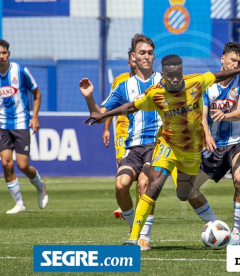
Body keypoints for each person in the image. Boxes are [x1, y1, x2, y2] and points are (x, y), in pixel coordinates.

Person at [83, 54, 240, 246]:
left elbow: (218, 75)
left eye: (178, 74)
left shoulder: (195, 82)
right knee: (152, 187)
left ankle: (214, 224)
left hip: (191, 152)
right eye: (171, 76)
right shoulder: (156, 93)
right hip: (167, 146)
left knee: (183, 194)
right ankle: (134, 237)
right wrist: (103, 115)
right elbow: (130, 107)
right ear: (163, 76)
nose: (176, 79)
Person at [80, 34, 161, 251]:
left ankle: (144, 237)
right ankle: (134, 230)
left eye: (150, 53)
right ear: (133, 57)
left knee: (145, 183)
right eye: (142, 53)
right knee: (121, 185)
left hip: (158, 144)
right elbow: (99, 116)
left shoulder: (163, 81)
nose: (146, 56)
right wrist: (89, 97)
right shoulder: (124, 87)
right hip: (133, 146)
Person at [188, 42, 240, 245]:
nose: (236, 64)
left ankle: (236, 232)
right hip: (216, 144)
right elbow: (202, 117)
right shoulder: (207, 85)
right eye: (233, 60)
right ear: (222, 59)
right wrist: (207, 135)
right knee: (189, 191)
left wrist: (225, 115)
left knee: (239, 178)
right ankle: (217, 227)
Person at [0, 39, 48, 214]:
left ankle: (40, 186)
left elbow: (37, 92)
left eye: (4, 53)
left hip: (20, 123)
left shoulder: (20, 71)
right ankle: (19, 203)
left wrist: (35, 117)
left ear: (8, 53)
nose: (1, 56)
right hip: (1, 124)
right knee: (6, 163)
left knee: (23, 165)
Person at [101, 50, 140, 220]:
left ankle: (139, 207)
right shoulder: (120, 80)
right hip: (122, 129)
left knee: (142, 175)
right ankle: (124, 202)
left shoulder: (150, 80)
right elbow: (111, 105)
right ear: (129, 61)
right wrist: (106, 129)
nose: (135, 61)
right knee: (122, 163)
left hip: (141, 129)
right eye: (132, 59)